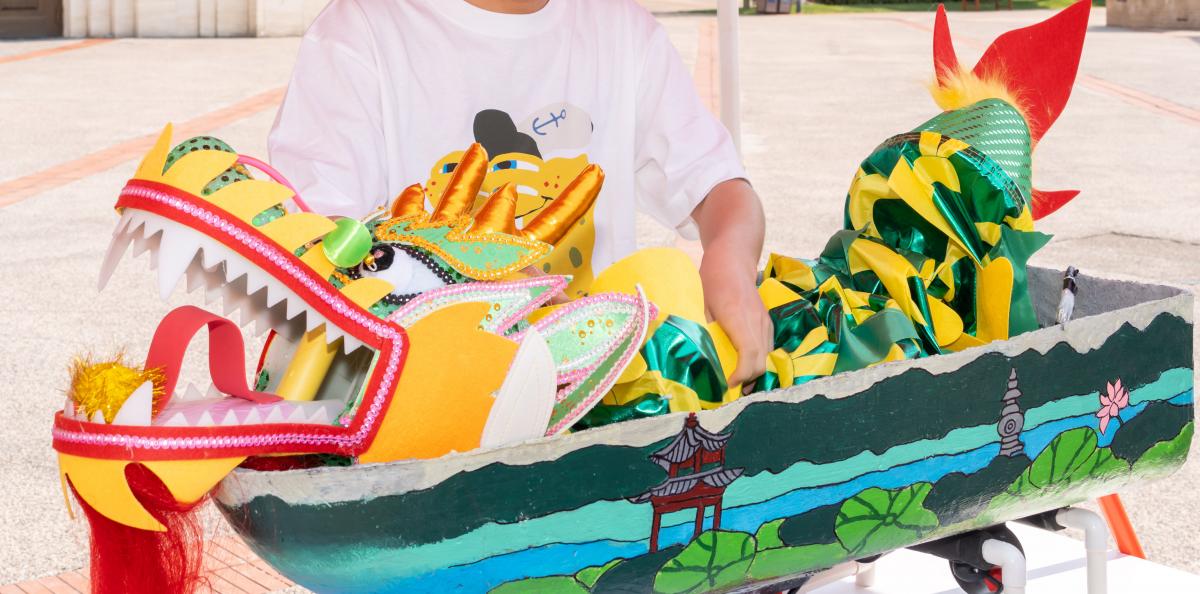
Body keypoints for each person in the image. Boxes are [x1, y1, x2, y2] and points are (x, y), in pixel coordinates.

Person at [268, 0, 771, 389]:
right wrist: (473, 284)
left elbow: (718, 183)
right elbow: (319, 242)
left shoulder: (620, 28)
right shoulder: (358, 32)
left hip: (596, 394)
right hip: (422, 408)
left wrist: (729, 257)